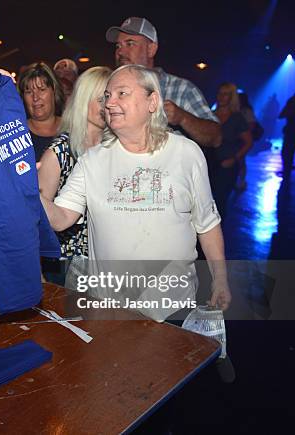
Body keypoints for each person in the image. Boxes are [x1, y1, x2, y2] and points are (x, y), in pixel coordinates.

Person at [40, 65, 231, 321]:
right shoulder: (92, 160)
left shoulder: (187, 153)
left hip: (173, 308)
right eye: (107, 96)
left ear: (152, 101)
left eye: (121, 93)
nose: (110, 103)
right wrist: (29, 193)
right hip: (109, 312)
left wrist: (220, 279)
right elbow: (61, 217)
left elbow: (207, 225)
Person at [38, 66, 112, 285]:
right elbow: (37, 218)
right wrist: (36, 269)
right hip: (64, 263)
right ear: (83, 101)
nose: (107, 106)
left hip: (104, 260)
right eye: (100, 99)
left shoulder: (114, 149)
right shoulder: (58, 153)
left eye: (110, 98)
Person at [106, 17, 222, 148]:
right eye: (118, 46)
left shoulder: (181, 89)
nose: (120, 52)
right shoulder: (109, 93)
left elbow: (215, 137)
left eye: (130, 43)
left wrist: (183, 118)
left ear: (151, 49)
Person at [211, 83, 252, 220]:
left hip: (227, 166)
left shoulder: (236, 118)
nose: (221, 97)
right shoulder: (209, 115)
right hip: (208, 165)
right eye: (220, 93)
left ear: (231, 97)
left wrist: (234, 159)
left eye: (226, 94)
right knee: (205, 202)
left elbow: (248, 142)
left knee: (219, 202)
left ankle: (216, 238)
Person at [18, 62, 64, 161]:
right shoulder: (17, 134)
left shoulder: (72, 129)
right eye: (29, 92)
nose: (35, 98)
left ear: (54, 90)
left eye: (42, 89)